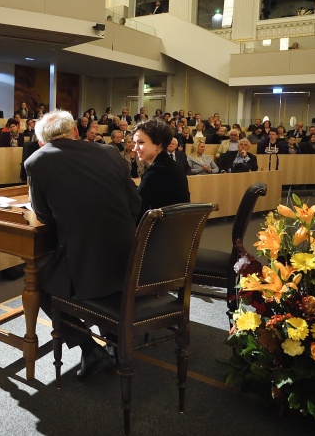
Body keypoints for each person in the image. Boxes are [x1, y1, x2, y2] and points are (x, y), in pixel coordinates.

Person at [24, 110, 141, 379]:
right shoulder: (110, 153)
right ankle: (113, 336)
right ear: (76, 132)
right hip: (128, 257)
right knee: (96, 271)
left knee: (38, 285)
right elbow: (135, 204)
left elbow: (44, 218)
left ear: (43, 141)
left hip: (84, 261)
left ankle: (89, 348)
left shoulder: (36, 162)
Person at [132, 119, 191, 224]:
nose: (135, 148)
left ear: (158, 143)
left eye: (140, 142)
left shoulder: (157, 171)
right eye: (134, 143)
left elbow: (135, 205)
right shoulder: (171, 165)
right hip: (175, 231)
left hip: (159, 233)